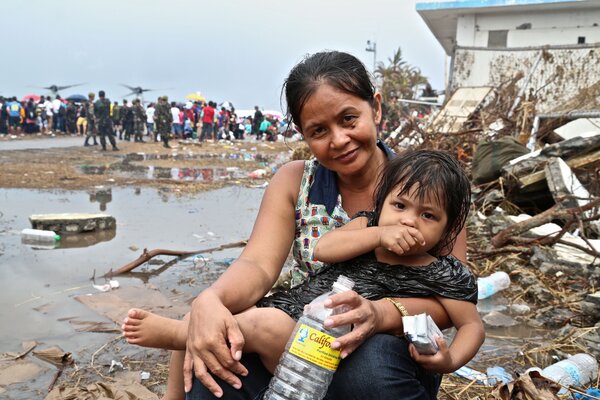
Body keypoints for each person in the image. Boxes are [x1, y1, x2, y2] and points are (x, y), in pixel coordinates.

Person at [127, 51, 469, 400]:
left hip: (384, 353)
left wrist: (379, 314)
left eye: (349, 119)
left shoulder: (429, 191)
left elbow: (452, 300)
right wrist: (212, 300)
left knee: (371, 369)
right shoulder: (295, 181)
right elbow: (257, 265)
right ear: (302, 134)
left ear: (376, 108)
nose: (338, 140)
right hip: (300, 330)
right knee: (216, 364)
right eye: (319, 130)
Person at [123, 149, 483, 398]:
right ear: (383, 201)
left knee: (261, 327)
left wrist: (449, 360)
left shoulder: (444, 273)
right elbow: (323, 248)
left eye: (428, 216)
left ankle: (175, 333)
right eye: (399, 206)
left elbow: (471, 326)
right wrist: (376, 233)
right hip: (301, 307)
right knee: (210, 319)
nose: (408, 220)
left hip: (331, 337)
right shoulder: (366, 226)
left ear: (449, 228)